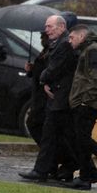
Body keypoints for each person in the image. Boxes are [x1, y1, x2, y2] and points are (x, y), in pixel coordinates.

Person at [20, 14, 78, 182]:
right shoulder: (54, 44)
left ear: (61, 27)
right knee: (52, 133)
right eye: (46, 27)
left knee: (53, 133)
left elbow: (54, 69)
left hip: (57, 95)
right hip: (52, 94)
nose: (46, 30)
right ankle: (56, 165)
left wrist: (44, 79)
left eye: (49, 27)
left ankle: (51, 167)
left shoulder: (63, 45)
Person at [65, 24, 97, 191]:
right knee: (82, 140)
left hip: (88, 104)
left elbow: (96, 78)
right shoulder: (87, 49)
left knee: (83, 140)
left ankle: (86, 177)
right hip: (84, 103)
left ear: (81, 36)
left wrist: (84, 101)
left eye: (72, 37)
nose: (69, 41)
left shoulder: (93, 50)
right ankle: (87, 175)